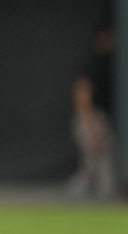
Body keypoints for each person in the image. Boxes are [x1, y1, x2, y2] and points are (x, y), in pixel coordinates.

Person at [69, 25, 117, 199]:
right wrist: (91, 129)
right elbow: (82, 96)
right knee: (93, 168)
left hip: (97, 120)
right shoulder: (94, 62)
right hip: (90, 119)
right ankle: (67, 201)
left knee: (96, 169)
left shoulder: (110, 62)